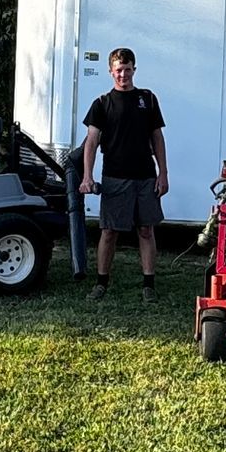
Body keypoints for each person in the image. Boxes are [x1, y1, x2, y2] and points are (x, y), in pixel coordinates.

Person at [79, 47, 169, 303]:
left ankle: (149, 285)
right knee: (109, 232)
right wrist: (87, 176)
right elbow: (91, 142)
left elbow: (157, 138)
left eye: (127, 69)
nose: (123, 75)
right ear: (110, 72)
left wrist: (163, 173)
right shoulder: (102, 104)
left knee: (145, 230)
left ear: (134, 70)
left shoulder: (148, 99)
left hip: (145, 176)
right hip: (115, 177)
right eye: (118, 70)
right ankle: (101, 283)